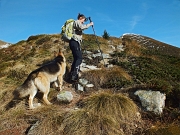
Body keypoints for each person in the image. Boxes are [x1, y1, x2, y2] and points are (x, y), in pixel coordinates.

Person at [69, 13, 93, 82]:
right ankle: (74, 75)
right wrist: (90, 24)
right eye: (83, 20)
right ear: (80, 18)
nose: (83, 21)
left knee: (76, 58)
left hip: (73, 42)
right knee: (79, 58)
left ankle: (71, 74)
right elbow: (82, 27)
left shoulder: (76, 23)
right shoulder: (77, 22)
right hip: (74, 42)